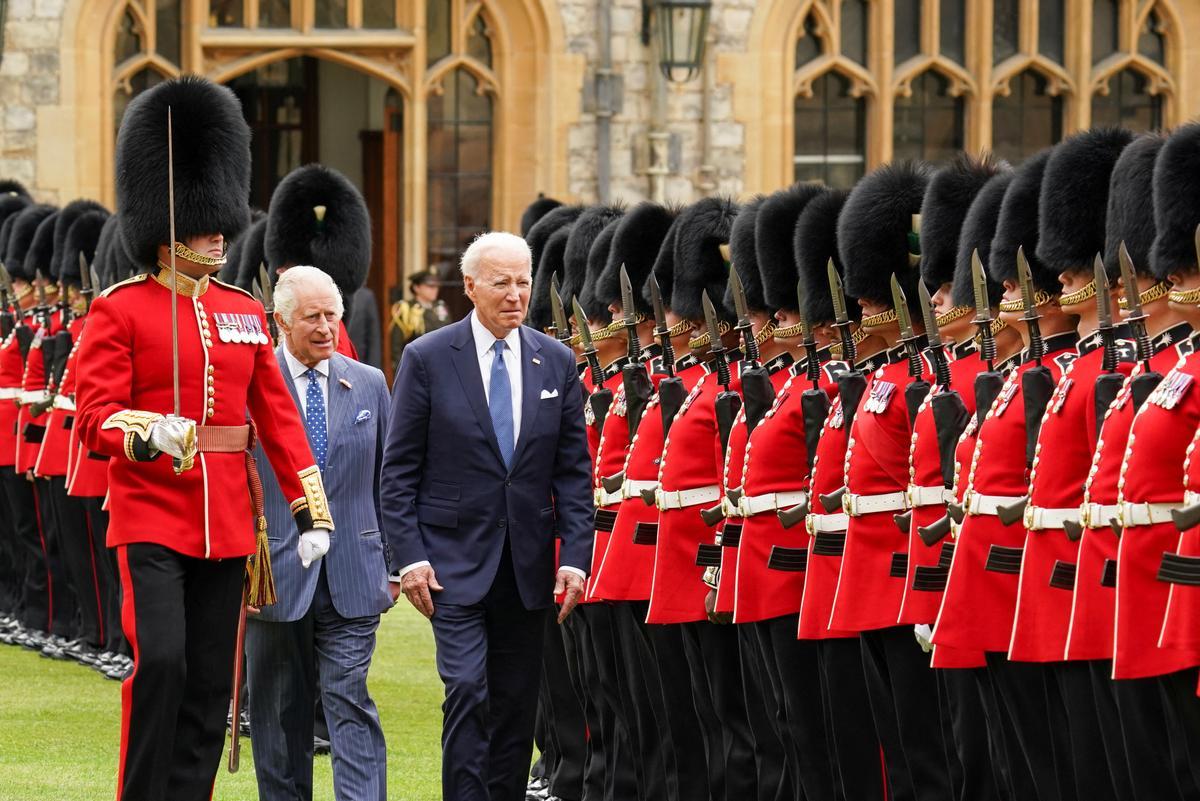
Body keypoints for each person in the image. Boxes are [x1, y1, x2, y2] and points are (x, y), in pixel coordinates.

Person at [73, 75, 334, 801]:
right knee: (161, 661)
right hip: (152, 513)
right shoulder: (120, 310)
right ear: (169, 221)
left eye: (220, 219)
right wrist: (148, 431)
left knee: (214, 681)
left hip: (227, 525)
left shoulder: (243, 310)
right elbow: (93, 415)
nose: (221, 229)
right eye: (204, 220)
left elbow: (275, 418)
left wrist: (311, 509)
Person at [381, 231, 593, 801]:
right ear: (471, 286)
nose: (515, 294)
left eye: (523, 282)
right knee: (468, 691)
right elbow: (398, 472)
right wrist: (411, 559)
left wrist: (575, 559)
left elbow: (573, 474)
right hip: (451, 566)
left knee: (516, 706)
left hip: (527, 571)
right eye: (501, 282)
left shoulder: (556, 361)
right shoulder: (427, 357)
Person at [245, 265, 394, 801]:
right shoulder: (253, 386)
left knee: (349, 698)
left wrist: (395, 562)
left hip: (354, 570)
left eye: (333, 315)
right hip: (276, 574)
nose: (327, 327)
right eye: (313, 317)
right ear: (282, 321)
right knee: (278, 714)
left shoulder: (370, 383)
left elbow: (389, 480)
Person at [390, 269, 450, 370]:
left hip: (441, 364)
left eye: (436, 286)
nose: (435, 290)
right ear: (416, 288)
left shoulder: (441, 306)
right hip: (418, 365)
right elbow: (396, 346)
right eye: (430, 286)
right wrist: (402, 370)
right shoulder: (406, 309)